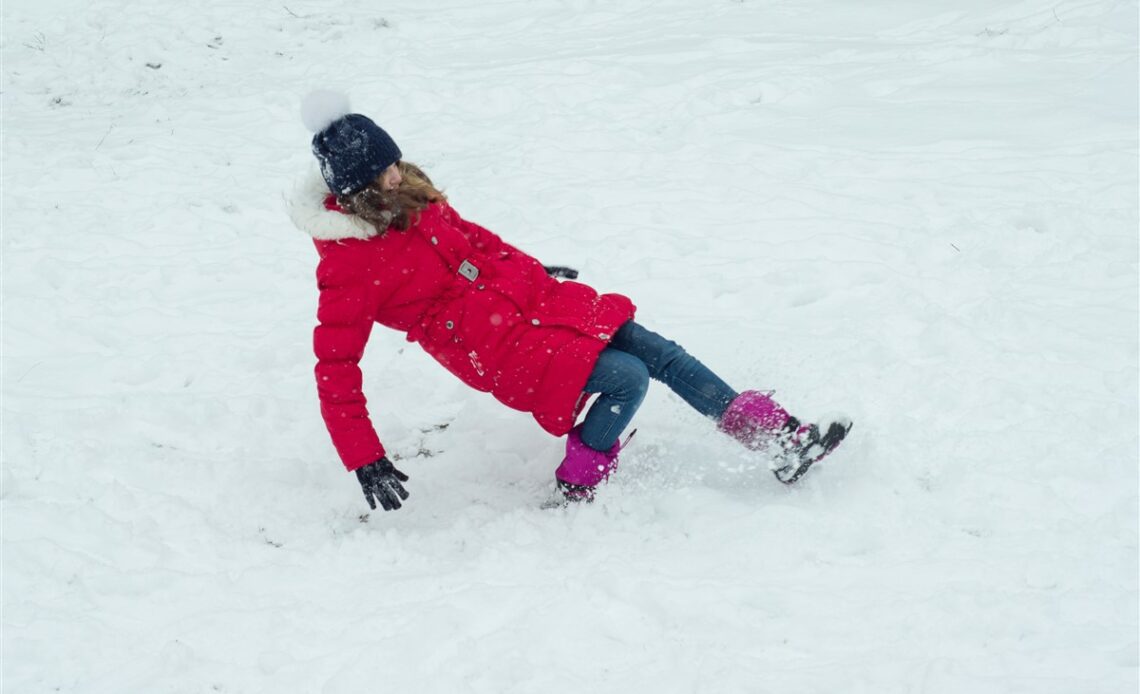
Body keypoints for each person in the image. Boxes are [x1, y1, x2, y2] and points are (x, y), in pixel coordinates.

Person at [288, 93, 851, 511]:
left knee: (657, 349)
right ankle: (578, 480)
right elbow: (335, 366)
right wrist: (364, 456)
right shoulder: (348, 265)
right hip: (490, 345)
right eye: (384, 170)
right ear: (358, 188)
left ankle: (781, 441)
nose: (397, 171)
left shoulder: (412, 196)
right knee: (628, 376)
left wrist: (531, 272)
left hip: (529, 301)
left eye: (394, 160)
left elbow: (481, 244)